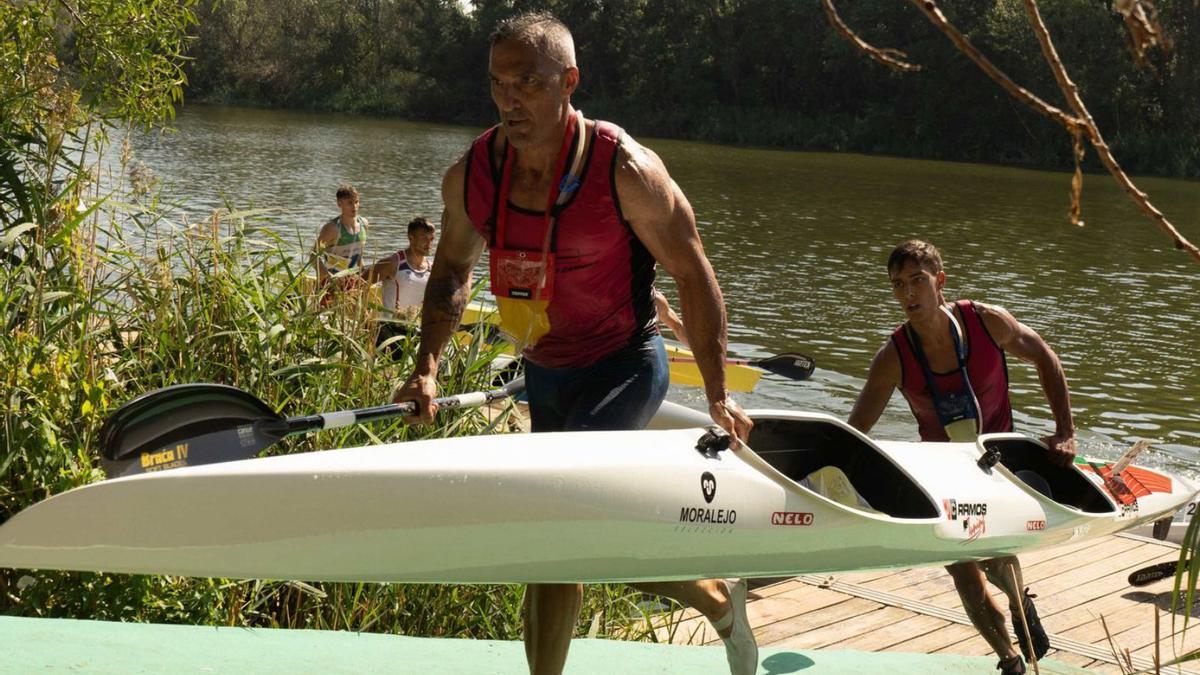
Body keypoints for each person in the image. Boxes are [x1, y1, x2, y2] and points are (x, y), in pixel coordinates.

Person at [392, 12, 756, 675]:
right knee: (561, 545)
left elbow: (693, 274)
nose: (509, 98)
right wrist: (426, 369)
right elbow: (448, 274)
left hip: (626, 363)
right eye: (498, 82)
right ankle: (715, 599)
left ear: (569, 81)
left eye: (527, 81)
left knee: (556, 516)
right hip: (546, 374)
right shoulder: (473, 175)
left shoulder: (625, 169)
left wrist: (718, 393)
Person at [848, 239, 1077, 675]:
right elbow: (855, 434)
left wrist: (1065, 431)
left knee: (992, 558)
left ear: (940, 281)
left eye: (918, 281)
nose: (909, 294)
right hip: (944, 471)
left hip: (997, 463)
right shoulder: (893, 358)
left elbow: (1046, 358)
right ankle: (1009, 659)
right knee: (961, 568)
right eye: (899, 286)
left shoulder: (985, 322)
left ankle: (1018, 601)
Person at [360, 217, 435, 355]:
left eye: (431, 239)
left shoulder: (432, 268)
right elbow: (360, 284)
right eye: (424, 238)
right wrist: (365, 316)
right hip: (389, 332)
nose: (429, 243)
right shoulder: (393, 263)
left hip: (416, 332)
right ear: (410, 237)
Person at [313, 184, 368, 290]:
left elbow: (359, 255)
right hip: (330, 283)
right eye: (349, 203)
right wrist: (328, 278)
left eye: (356, 202)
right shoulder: (332, 228)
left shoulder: (364, 224)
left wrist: (365, 276)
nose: (354, 207)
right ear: (339, 204)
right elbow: (312, 255)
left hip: (350, 281)